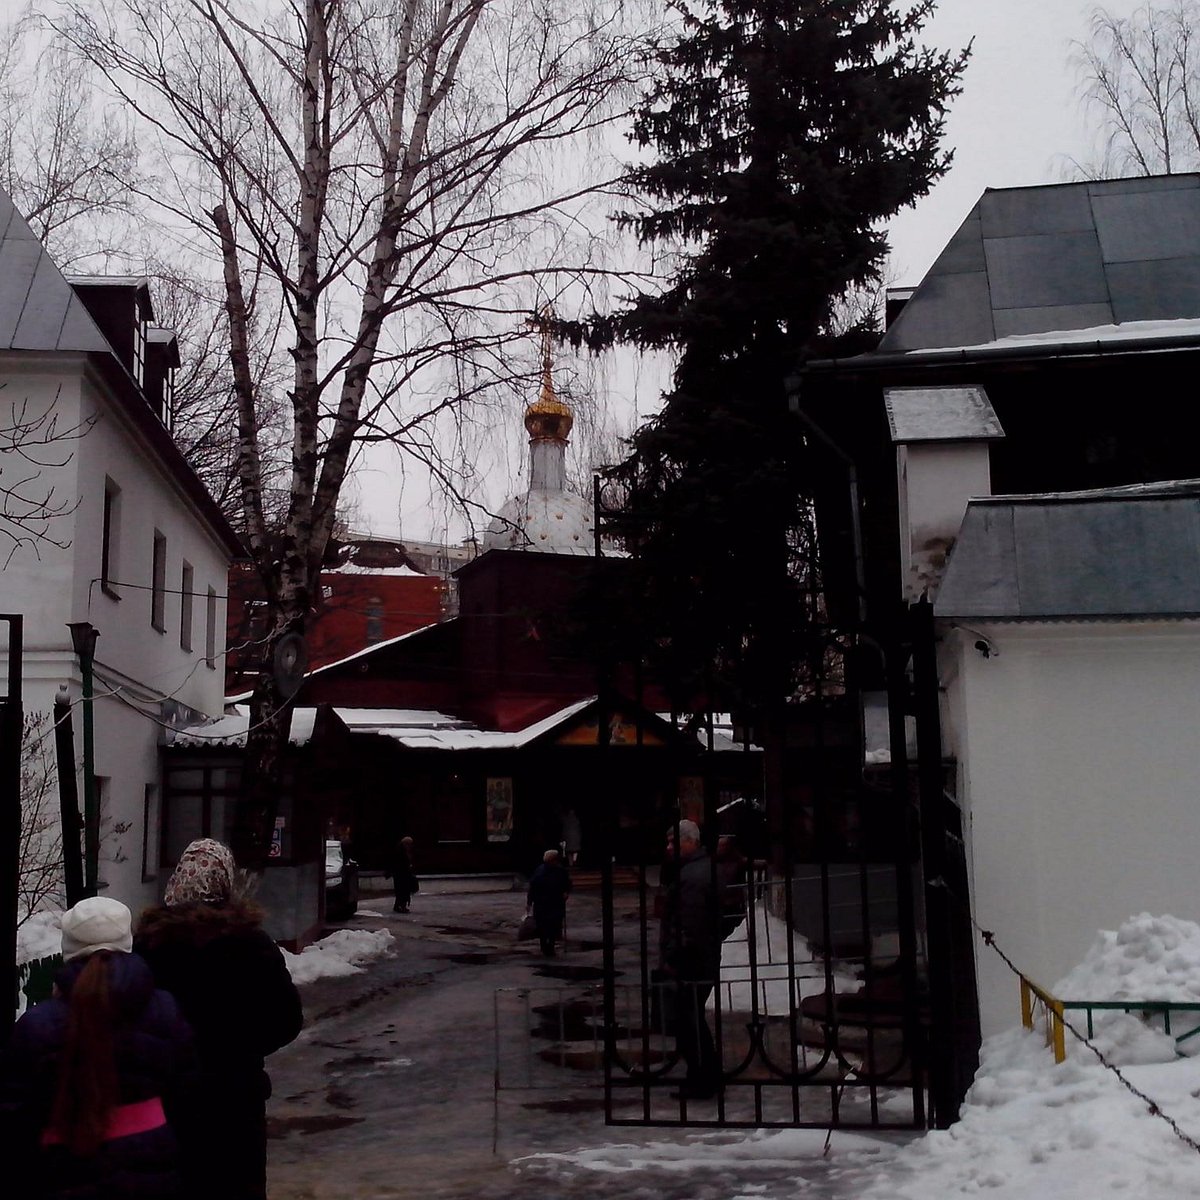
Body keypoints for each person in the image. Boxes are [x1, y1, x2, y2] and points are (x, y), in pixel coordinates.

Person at [134, 838, 303, 1200]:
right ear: (225, 882)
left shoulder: (149, 945)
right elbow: (287, 1020)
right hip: (235, 1101)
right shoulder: (251, 945)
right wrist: (240, 1047)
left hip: (167, 1103)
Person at [0, 897, 196, 1199]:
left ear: (68, 949)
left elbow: (16, 1120)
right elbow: (185, 1093)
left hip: (65, 1174)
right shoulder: (165, 1010)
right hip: (152, 1171)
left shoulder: (38, 1025)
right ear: (127, 942)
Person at [660, 819, 721, 1100]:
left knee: (690, 1022)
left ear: (690, 842)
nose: (669, 847)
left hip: (692, 960)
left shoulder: (693, 876)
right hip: (699, 957)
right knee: (693, 1020)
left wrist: (674, 956)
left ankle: (702, 1078)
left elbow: (690, 924)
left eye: (674, 842)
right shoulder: (696, 870)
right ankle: (704, 1075)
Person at [526, 849, 572, 957]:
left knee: (553, 924)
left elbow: (567, 883)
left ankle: (550, 946)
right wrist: (529, 902)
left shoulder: (560, 871)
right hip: (543, 903)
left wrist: (566, 892)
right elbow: (533, 888)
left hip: (555, 902)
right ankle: (545, 946)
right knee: (543, 925)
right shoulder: (540, 871)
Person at [387, 835, 419, 913]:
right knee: (402, 891)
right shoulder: (400, 852)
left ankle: (399, 905)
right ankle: (401, 906)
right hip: (401, 874)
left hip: (403, 874)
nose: (410, 846)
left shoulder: (403, 851)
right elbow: (398, 863)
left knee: (402, 891)